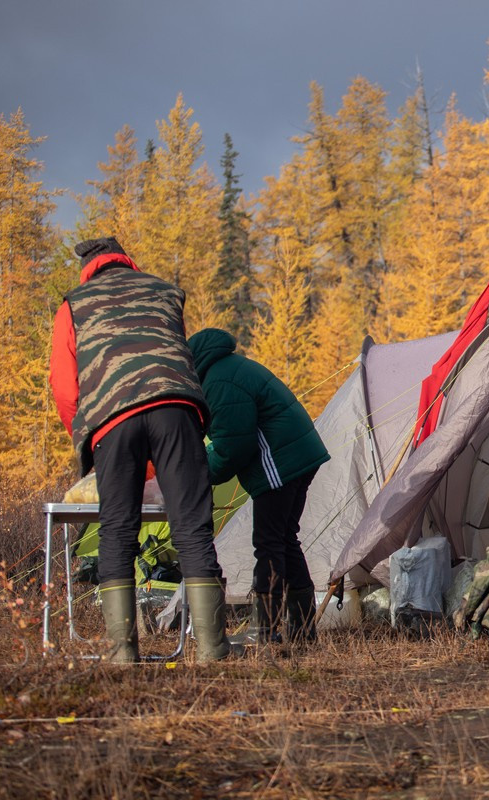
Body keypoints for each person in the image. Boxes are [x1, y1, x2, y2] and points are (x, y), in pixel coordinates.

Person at [49, 237, 234, 663]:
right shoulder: (165, 292)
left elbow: (64, 387)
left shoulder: (74, 304)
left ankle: (122, 653)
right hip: (177, 410)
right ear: (126, 261)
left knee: (116, 528)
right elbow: (175, 356)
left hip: (112, 419)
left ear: (88, 269)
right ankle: (211, 649)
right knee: (192, 526)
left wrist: (88, 438)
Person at [187, 328, 330, 645]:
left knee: (268, 542)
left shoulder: (218, 382)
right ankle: (302, 631)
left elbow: (233, 447)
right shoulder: (229, 368)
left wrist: (197, 474)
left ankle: (265, 630)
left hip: (281, 460)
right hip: (299, 455)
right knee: (284, 539)